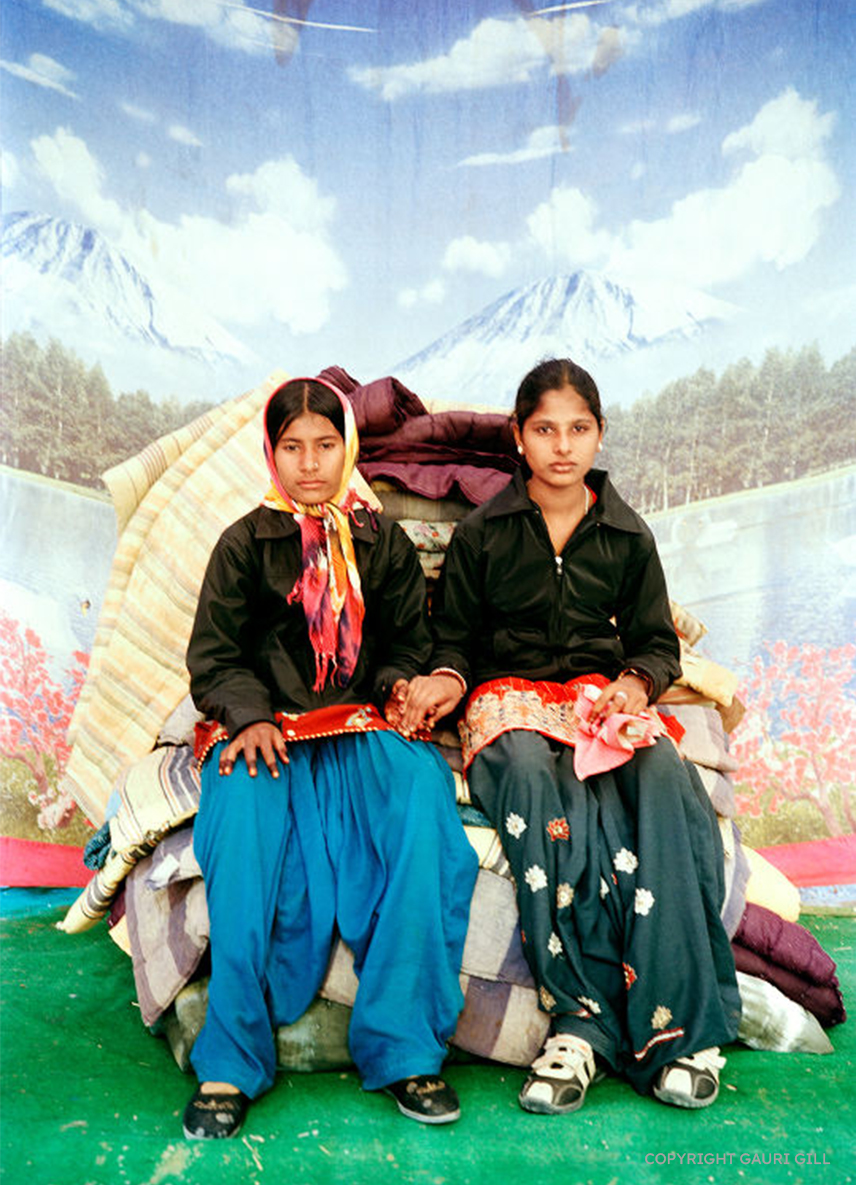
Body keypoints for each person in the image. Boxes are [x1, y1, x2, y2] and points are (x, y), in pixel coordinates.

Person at [401, 358, 741, 1115]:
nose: (562, 446)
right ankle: (578, 1028)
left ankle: (679, 1031)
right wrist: (447, 680)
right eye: (545, 429)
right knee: (531, 777)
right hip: (506, 698)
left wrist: (636, 684)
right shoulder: (484, 533)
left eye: (578, 429)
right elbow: (452, 640)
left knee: (665, 778)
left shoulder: (626, 533)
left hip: (596, 695)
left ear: (599, 434)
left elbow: (654, 643)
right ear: (518, 437)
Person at [183, 376, 478, 1139]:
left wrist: (399, 687)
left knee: (421, 796)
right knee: (240, 816)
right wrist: (249, 714)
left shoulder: (381, 542)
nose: (310, 463)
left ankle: (405, 1047)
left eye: (325, 444)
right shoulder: (244, 543)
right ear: (271, 452)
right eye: (293, 446)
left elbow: (405, 642)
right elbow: (214, 656)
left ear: (347, 450)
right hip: (267, 728)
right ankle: (230, 1058)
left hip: (357, 723)